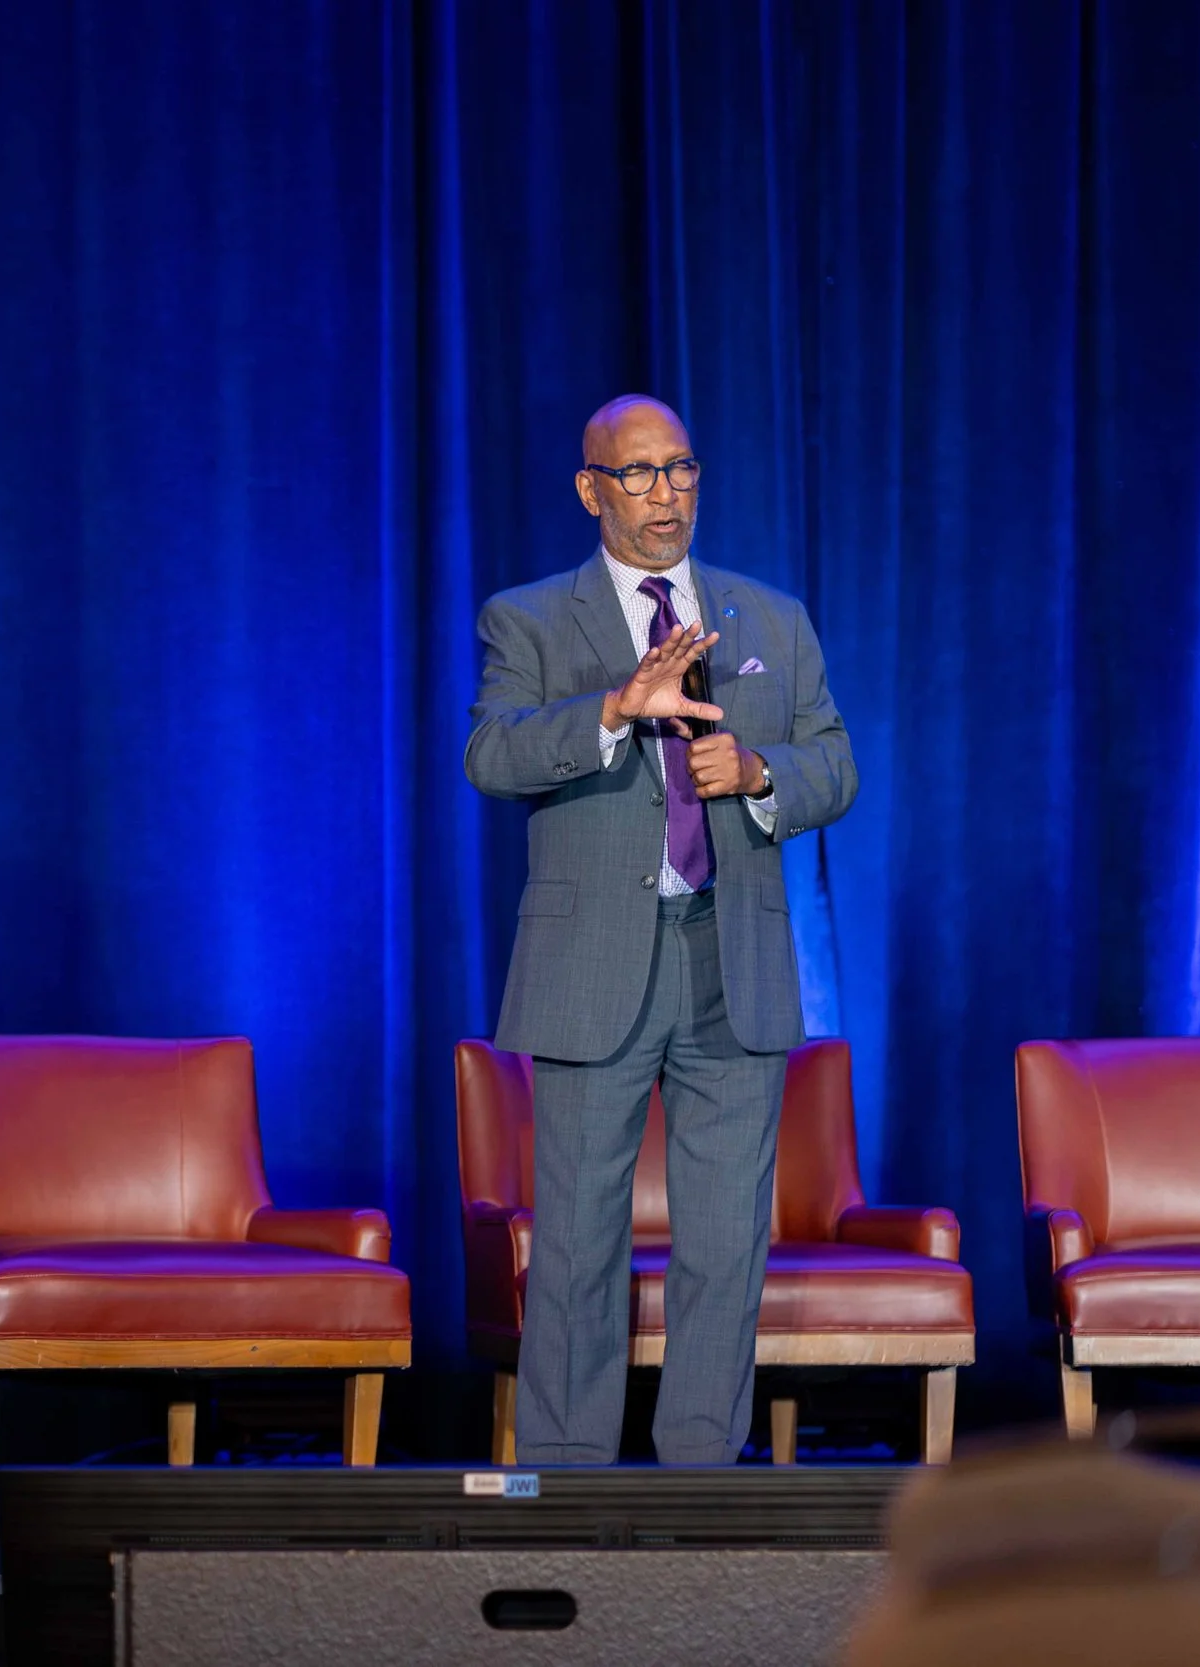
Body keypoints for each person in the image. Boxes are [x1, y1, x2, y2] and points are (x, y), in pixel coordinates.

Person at [464, 394, 857, 1464]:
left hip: (731, 956)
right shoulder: (530, 617)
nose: (664, 494)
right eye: (636, 474)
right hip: (594, 963)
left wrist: (763, 771)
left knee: (726, 1242)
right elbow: (492, 755)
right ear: (591, 489)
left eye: (679, 469)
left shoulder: (766, 617)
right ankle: (565, 1478)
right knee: (579, 1242)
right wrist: (612, 709)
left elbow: (836, 759)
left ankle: (699, 1479)